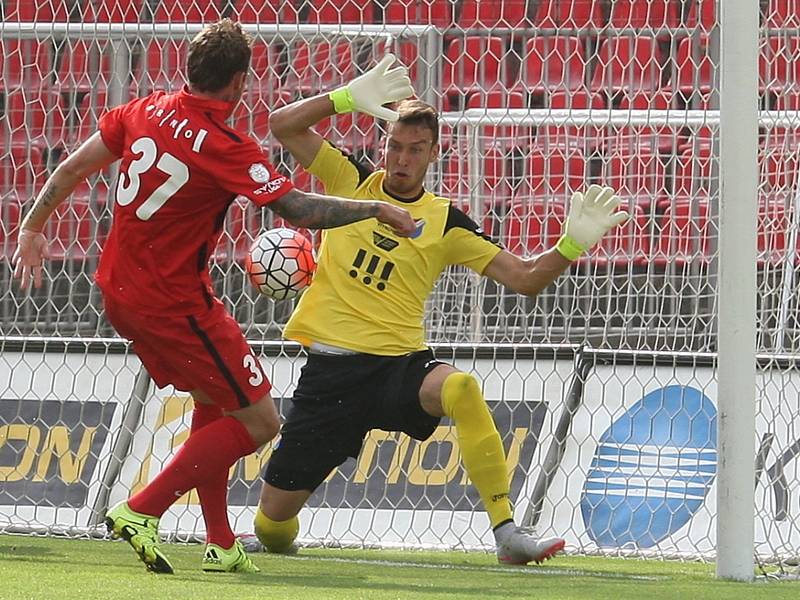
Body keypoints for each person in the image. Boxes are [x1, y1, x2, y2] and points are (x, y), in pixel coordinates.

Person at [11, 20, 416, 575]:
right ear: (240, 82)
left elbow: (72, 167)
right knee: (260, 420)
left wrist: (33, 227)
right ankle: (141, 508)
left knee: (214, 397)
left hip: (120, 286)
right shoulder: (227, 146)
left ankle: (220, 540)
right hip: (172, 302)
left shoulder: (143, 109)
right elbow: (297, 211)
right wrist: (376, 208)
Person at [252, 55, 630, 565]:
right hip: (331, 376)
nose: (402, 159)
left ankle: (507, 533)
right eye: (395, 146)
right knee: (271, 528)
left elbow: (523, 280)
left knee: (459, 387)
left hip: (397, 367)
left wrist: (571, 245)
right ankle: (276, 529)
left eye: (415, 150)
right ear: (384, 146)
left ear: (433, 154)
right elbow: (281, 125)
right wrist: (343, 98)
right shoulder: (351, 181)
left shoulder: (446, 221)